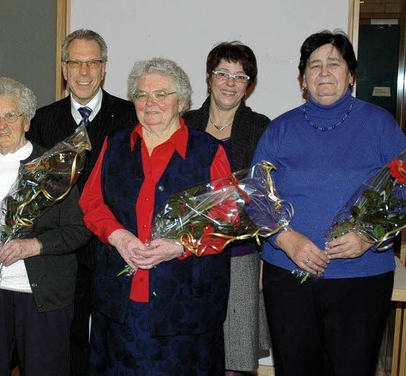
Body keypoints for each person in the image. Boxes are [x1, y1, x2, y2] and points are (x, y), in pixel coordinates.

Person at [252, 30, 406, 376]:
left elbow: (404, 190)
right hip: (289, 277)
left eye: (333, 64)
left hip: (361, 278)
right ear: (303, 78)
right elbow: (255, 194)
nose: (323, 72)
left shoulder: (380, 124)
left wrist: (368, 236)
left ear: (351, 74)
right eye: (314, 65)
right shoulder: (280, 129)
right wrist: (286, 240)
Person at [79, 57, 233, 375]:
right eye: (141, 94)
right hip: (121, 306)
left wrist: (180, 246)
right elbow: (92, 203)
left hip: (186, 310)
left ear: (182, 102)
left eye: (161, 94)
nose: (150, 103)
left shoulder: (208, 151)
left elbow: (227, 219)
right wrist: (118, 237)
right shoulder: (115, 144)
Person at [0, 77, 91, 376]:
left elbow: (79, 229)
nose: (2, 125)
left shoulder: (53, 167)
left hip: (41, 297)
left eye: (10, 115)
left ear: (26, 121)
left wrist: (34, 245)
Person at [27, 29, 137, 375]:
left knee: (114, 339)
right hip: (62, 251)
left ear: (104, 68)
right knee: (66, 340)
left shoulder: (130, 116)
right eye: (76, 62)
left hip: (113, 247)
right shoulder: (42, 120)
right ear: (64, 68)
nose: (84, 71)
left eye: (92, 63)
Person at [182, 41, 270, 375]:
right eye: (223, 73)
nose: (230, 82)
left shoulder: (261, 128)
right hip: (189, 257)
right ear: (209, 77)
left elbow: (267, 199)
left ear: (250, 85)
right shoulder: (184, 124)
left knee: (235, 358)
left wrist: (266, 258)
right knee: (191, 351)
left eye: (240, 76)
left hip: (241, 258)